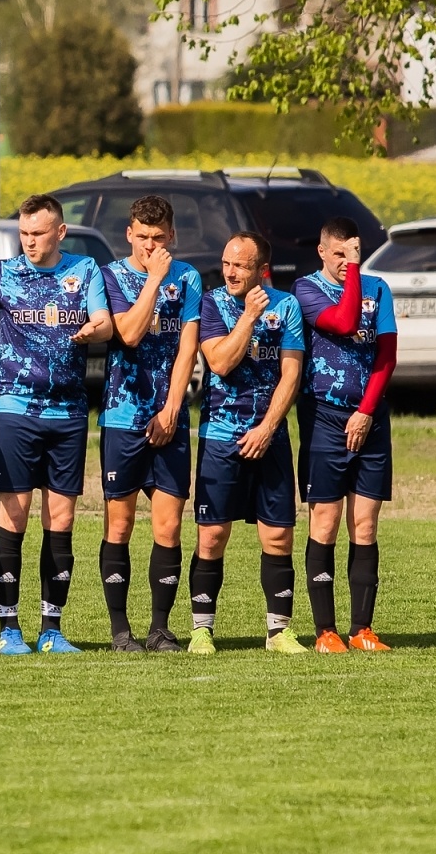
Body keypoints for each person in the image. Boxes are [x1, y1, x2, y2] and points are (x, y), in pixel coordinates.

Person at [0, 194, 113, 655]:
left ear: (60, 232)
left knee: (63, 518)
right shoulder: (2, 275)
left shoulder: (85, 271)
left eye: (38, 233)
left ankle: (52, 629)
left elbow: (105, 324)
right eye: (24, 233)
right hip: (16, 410)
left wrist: (95, 330)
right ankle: (9, 629)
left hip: (70, 413)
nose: (30, 242)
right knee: (14, 515)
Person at [189, 232, 308, 655]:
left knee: (278, 537)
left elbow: (290, 375)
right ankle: (202, 630)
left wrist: (268, 428)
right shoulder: (212, 302)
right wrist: (249, 319)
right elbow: (219, 362)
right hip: (220, 437)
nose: (230, 272)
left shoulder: (287, 306)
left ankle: (279, 632)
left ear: (262, 270)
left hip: (269, 437)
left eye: (240, 265)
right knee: (213, 535)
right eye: (226, 263)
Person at [98, 196, 203, 652]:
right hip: (123, 418)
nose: (150, 246)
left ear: (172, 236)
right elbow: (130, 332)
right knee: (119, 526)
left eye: (159, 238)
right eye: (142, 237)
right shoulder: (112, 276)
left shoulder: (190, 278)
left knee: (168, 528)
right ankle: (121, 631)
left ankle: (160, 628)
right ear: (129, 235)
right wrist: (154, 280)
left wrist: (173, 409)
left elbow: (188, 348)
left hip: (170, 420)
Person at [293, 217, 399, 653]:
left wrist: (367, 412)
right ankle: (325, 631)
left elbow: (387, 355)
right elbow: (342, 320)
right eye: (338, 254)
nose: (344, 262)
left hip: (369, 419)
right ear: (322, 251)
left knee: (366, 524)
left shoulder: (380, 289)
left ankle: (362, 629)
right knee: (326, 521)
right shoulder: (306, 290)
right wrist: (353, 270)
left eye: (351, 253)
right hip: (324, 418)